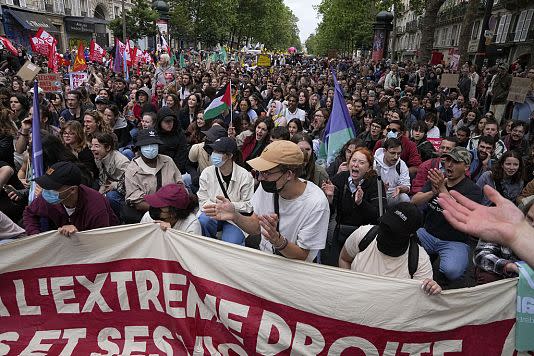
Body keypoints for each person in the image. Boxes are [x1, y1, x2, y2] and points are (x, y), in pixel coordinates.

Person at [203, 140, 330, 262]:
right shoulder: (268, 188)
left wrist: (278, 241)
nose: (261, 177)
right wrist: (235, 216)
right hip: (266, 259)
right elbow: (256, 227)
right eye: (260, 172)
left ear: (289, 174)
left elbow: (302, 255)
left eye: (267, 172)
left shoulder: (316, 203)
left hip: (295, 271)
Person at [412, 147, 483, 284]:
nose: (449, 164)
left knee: (452, 272)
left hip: (454, 241)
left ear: (466, 167)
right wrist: (432, 192)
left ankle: (441, 273)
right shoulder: (438, 180)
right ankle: (428, 255)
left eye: (455, 162)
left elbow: (459, 213)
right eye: (447, 160)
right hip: (427, 234)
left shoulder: (473, 190)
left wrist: (442, 189)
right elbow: (414, 200)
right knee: (406, 246)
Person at [339, 202, 441, 295]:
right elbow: (344, 259)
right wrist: (349, 286)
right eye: (384, 225)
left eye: (394, 231)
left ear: (410, 235)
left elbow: (421, 296)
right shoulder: (364, 234)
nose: (385, 232)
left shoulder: (419, 261)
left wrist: (431, 289)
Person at [321, 147, 386, 266]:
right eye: (353, 161)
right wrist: (330, 199)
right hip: (342, 231)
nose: (356, 165)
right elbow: (329, 212)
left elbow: (379, 216)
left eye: (361, 163)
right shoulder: (340, 178)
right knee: (333, 267)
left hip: (365, 235)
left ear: (369, 168)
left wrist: (361, 203)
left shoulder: (375, 183)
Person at [23, 161, 118, 236]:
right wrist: (34, 235)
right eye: (46, 186)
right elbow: (29, 212)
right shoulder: (48, 198)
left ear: (72, 189)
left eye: (53, 187)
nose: (47, 191)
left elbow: (101, 241)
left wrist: (78, 235)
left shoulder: (96, 206)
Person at [197, 137, 254, 245]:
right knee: (203, 221)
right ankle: (207, 247)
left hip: (235, 217)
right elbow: (202, 200)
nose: (214, 155)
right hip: (213, 213)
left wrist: (230, 207)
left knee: (232, 243)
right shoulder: (206, 173)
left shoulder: (245, 176)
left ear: (229, 156)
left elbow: (248, 205)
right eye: (214, 151)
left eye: (218, 152)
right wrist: (217, 207)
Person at [123, 129, 183, 223]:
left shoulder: (168, 161)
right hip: (148, 212)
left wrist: (172, 210)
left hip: (172, 211)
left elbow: (179, 184)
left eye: (154, 145)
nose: (151, 148)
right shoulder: (132, 169)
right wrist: (161, 212)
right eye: (146, 145)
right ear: (139, 148)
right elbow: (137, 202)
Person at [90, 132, 129, 219]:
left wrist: (115, 185)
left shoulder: (121, 161)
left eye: (97, 146)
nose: (92, 149)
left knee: (111, 197)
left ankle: (121, 218)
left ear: (107, 147)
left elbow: (132, 182)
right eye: (92, 146)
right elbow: (103, 176)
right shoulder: (99, 158)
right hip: (110, 184)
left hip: (124, 190)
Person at [374, 138, 411, 204]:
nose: (396, 157)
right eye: (392, 153)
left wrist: (400, 188)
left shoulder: (401, 164)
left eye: (399, 153)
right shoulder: (374, 163)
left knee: (405, 198)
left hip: (393, 195)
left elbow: (407, 187)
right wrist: (380, 187)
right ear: (384, 151)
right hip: (375, 195)